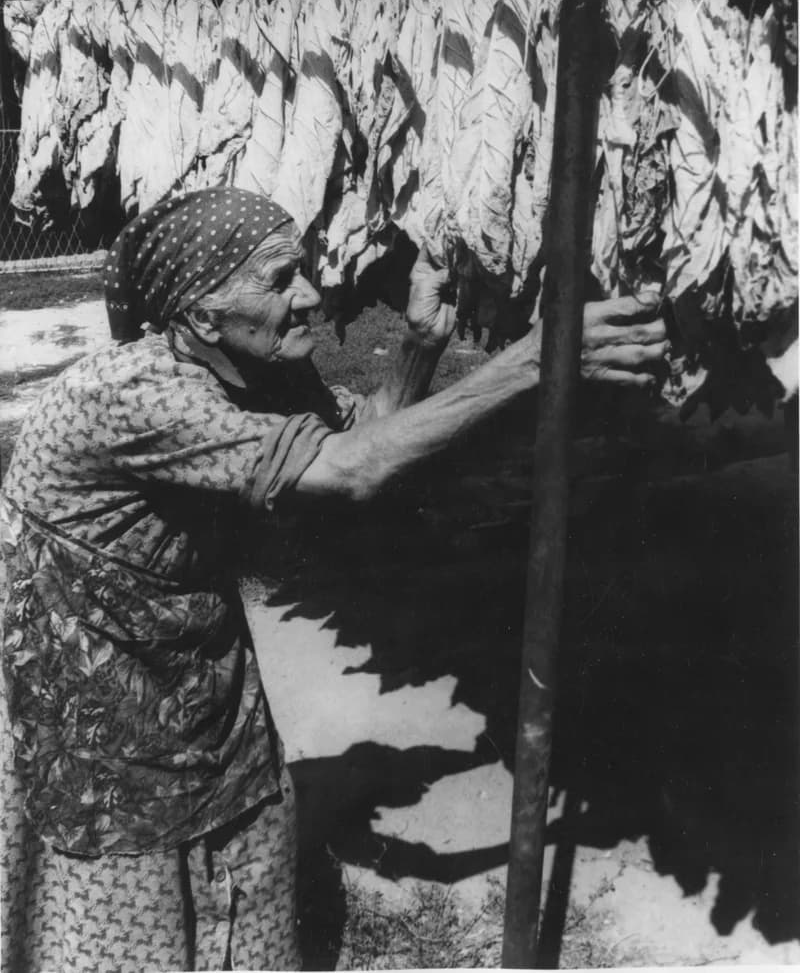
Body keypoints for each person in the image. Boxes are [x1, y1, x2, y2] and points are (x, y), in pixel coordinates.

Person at [0, 187, 668, 973]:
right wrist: (535, 360)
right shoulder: (137, 394)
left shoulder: (247, 367)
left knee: (232, 835)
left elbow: (362, 430)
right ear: (202, 312)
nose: (311, 294)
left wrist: (421, 346)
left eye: (304, 270)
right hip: (103, 693)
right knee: (134, 887)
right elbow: (354, 473)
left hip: (189, 668)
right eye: (280, 279)